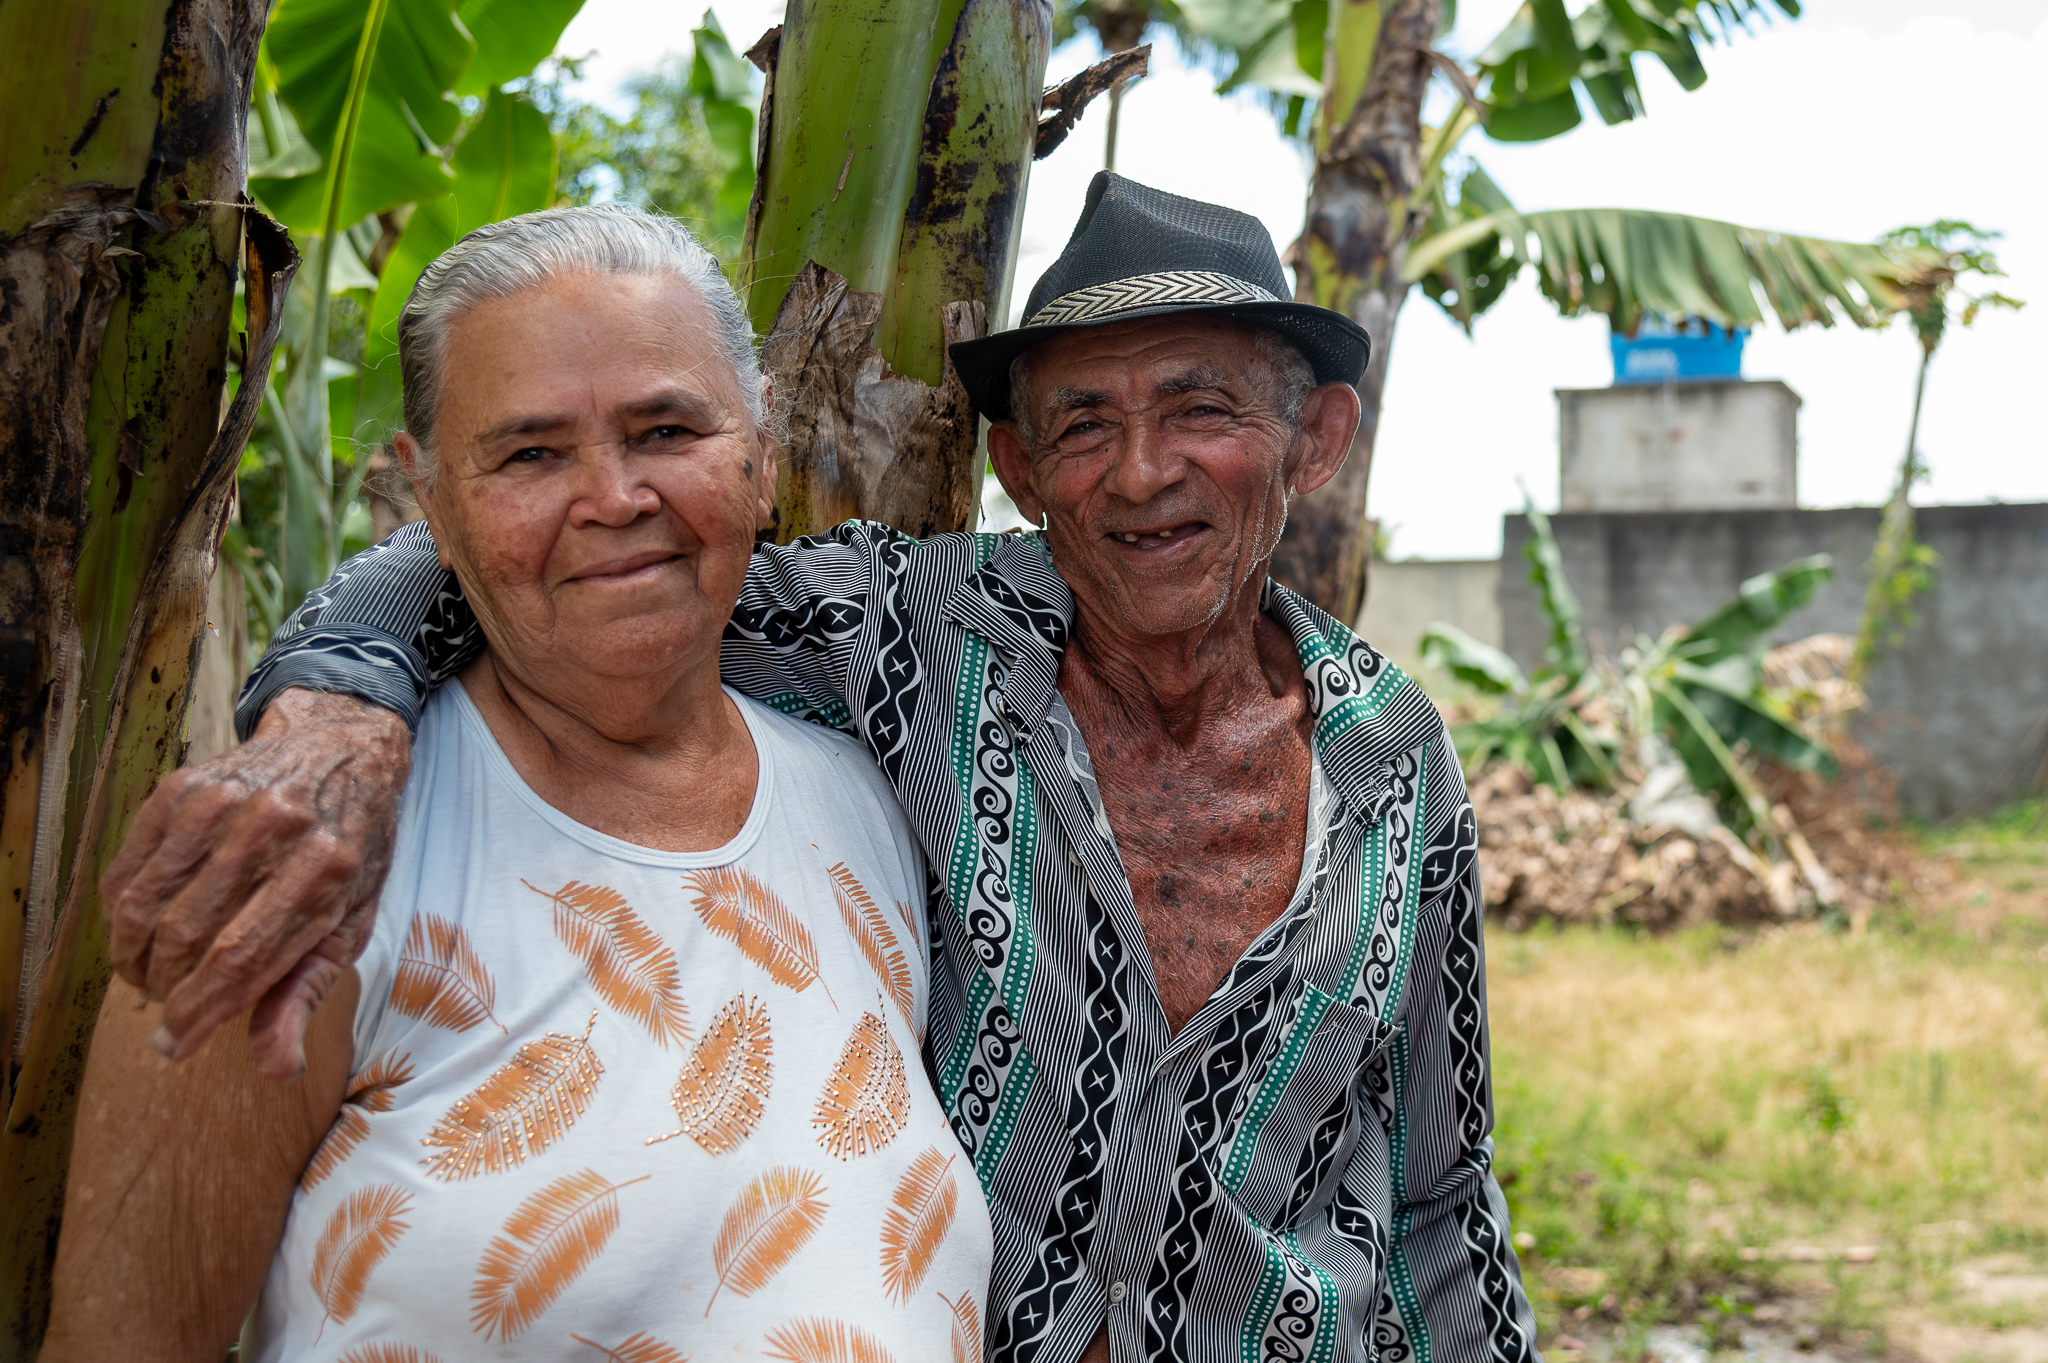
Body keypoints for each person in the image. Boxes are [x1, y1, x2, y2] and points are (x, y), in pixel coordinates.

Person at [103, 175, 1539, 1362]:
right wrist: (333, 701)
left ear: (1319, 436)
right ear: (1021, 470)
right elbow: (585, 541)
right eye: (1082, 423)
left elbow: (1439, 1186)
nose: (1142, 469)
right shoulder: (903, 643)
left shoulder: (1395, 753)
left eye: (1203, 409)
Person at [44, 206, 993, 1361]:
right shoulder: (300, 850)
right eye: (530, 453)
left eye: (664, 429)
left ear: (759, 449)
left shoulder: (873, 792)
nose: (612, 496)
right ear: (429, 503)